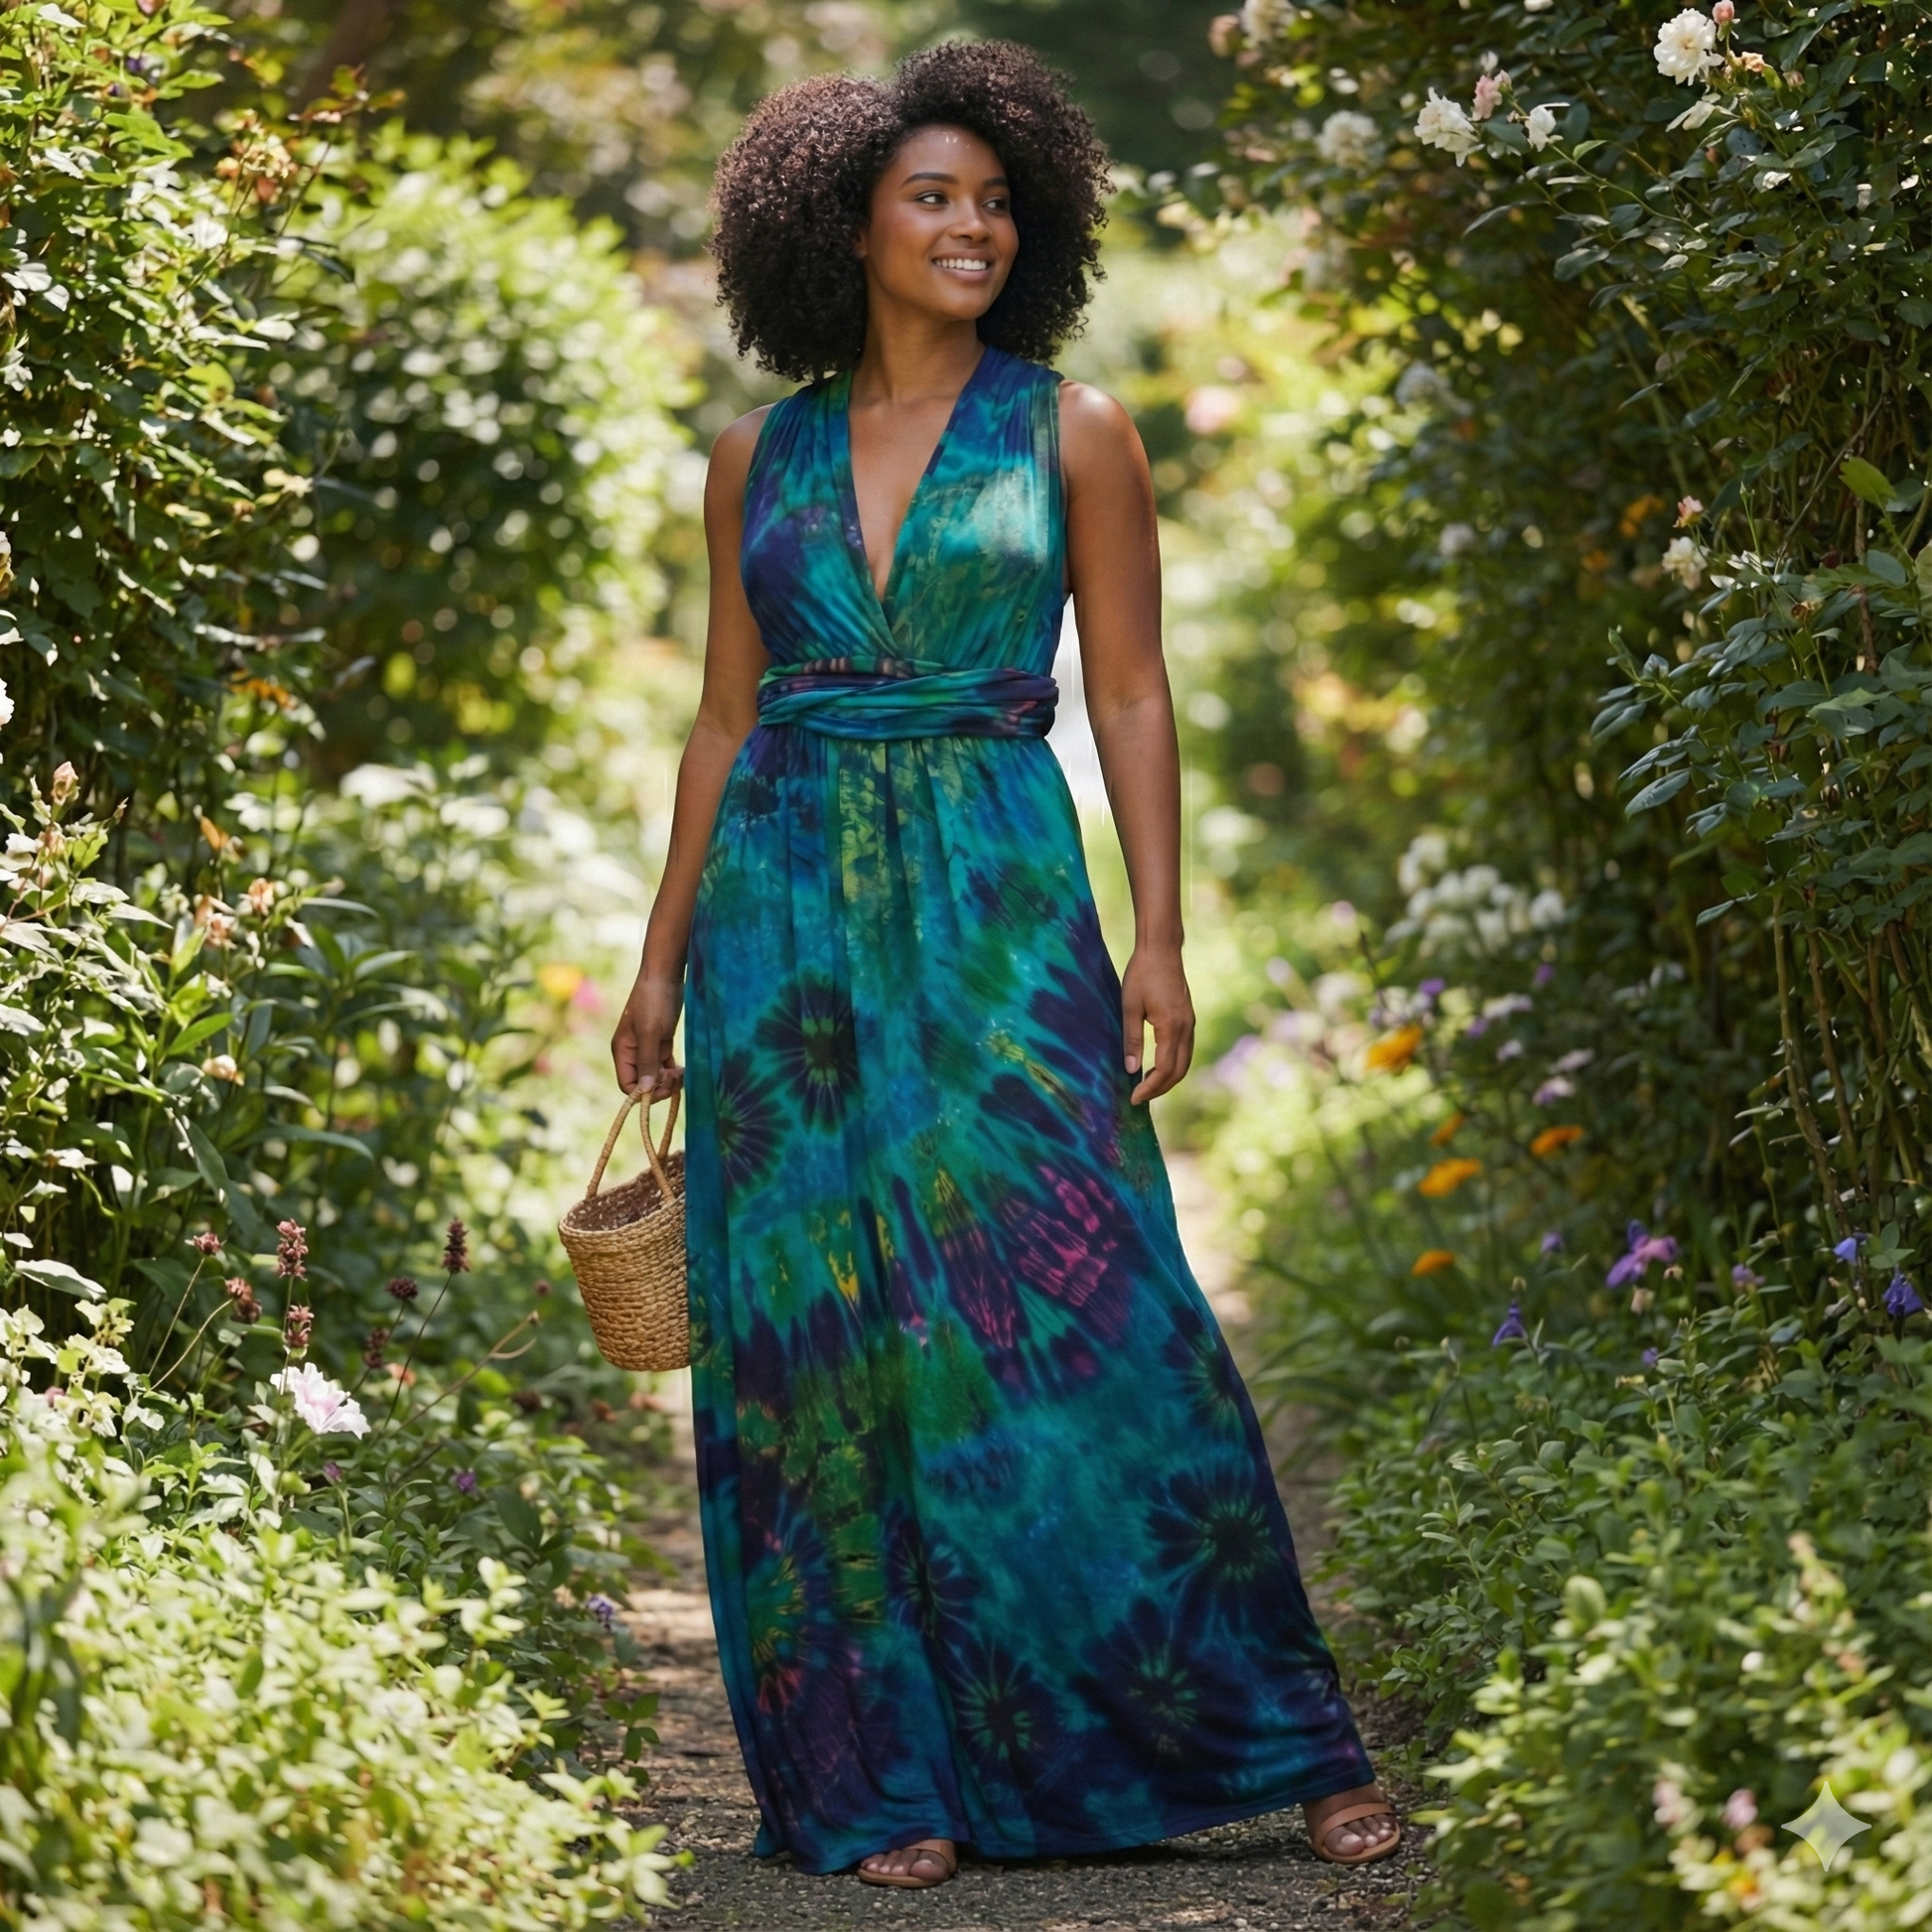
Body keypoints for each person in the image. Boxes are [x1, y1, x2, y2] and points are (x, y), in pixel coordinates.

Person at [609, 39, 1401, 1892]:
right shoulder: (755, 459)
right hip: (784, 925)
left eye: (993, 199)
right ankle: (887, 1775)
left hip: (992, 899)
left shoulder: (1075, 432)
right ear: (843, 224)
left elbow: (1127, 685)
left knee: (1088, 1298)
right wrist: (657, 967)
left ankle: (1279, 1738)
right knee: (822, 1338)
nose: (974, 223)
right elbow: (720, 723)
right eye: (933, 196)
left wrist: (1162, 930)